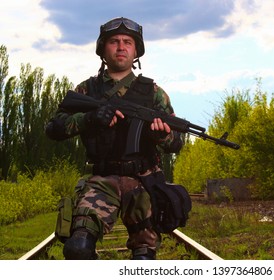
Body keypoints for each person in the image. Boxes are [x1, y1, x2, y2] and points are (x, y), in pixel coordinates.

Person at [45, 17, 183, 260]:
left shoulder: (154, 93)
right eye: (114, 41)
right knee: (78, 247)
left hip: (144, 182)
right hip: (100, 179)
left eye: (128, 42)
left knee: (144, 258)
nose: (121, 47)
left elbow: (176, 144)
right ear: (103, 49)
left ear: (136, 51)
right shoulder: (86, 90)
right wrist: (90, 119)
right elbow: (53, 128)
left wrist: (162, 135)